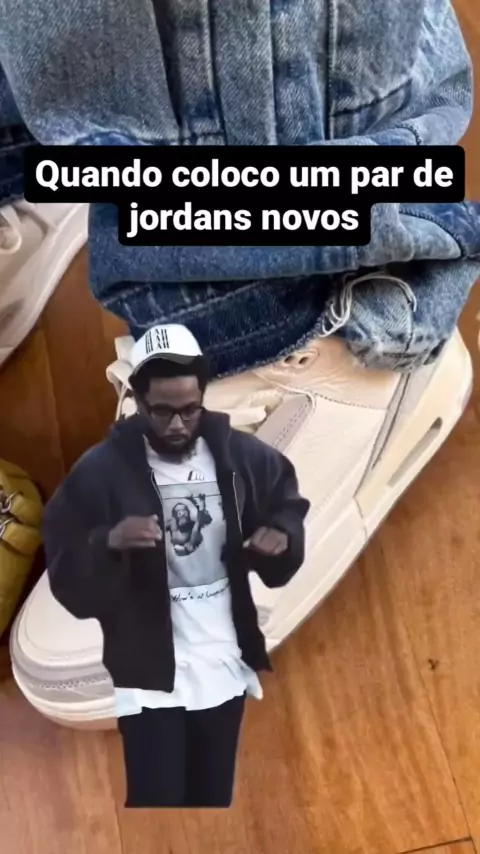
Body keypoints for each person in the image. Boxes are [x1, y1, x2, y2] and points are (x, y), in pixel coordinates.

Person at [42, 323, 309, 808]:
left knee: (212, 790)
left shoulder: (239, 454)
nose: (178, 425)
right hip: (147, 662)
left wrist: (282, 537)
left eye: (190, 409)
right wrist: (109, 541)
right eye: (161, 411)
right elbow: (64, 549)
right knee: (158, 793)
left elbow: (285, 502)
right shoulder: (101, 470)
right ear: (138, 400)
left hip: (222, 651)